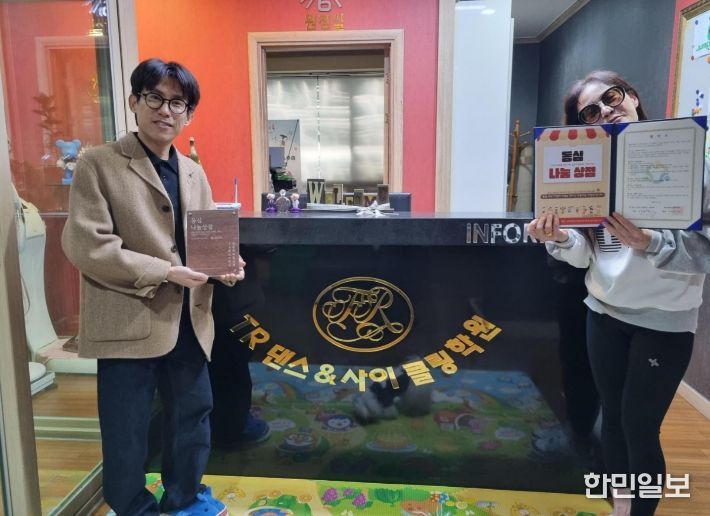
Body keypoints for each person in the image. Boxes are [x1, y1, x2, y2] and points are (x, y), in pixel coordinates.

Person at [62, 58, 244, 516]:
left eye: (177, 103)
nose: (166, 110)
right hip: (129, 318)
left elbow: (203, 238)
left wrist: (226, 264)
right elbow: (88, 246)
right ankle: (133, 508)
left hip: (189, 319)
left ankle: (184, 499)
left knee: (193, 416)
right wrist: (165, 271)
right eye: (155, 98)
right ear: (134, 102)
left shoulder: (193, 172)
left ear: (189, 115)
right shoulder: (98, 164)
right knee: (126, 429)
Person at [528, 70, 710, 516]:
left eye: (611, 97)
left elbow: (705, 249)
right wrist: (558, 237)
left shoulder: (688, 160)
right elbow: (587, 256)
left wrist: (653, 243)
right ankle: (620, 505)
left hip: (664, 322)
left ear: (632, 95)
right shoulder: (589, 171)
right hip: (604, 313)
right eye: (590, 111)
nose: (605, 110)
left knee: (640, 428)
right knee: (610, 417)